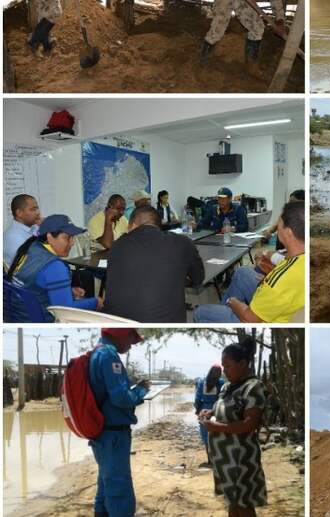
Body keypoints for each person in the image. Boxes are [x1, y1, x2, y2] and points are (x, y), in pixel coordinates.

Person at [193, 201, 304, 323]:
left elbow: (250, 318)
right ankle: (222, 312)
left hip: (261, 320)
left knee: (201, 312)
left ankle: (222, 312)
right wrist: (268, 278)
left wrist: (232, 301)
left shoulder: (281, 280)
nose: (277, 228)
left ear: (288, 233)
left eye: (279, 224)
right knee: (243, 272)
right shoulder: (301, 257)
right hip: (279, 299)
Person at [199, 336, 268, 516]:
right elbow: (220, 407)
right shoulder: (227, 387)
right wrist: (209, 413)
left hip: (241, 459)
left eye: (228, 366)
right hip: (224, 460)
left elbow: (248, 424)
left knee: (244, 504)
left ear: (243, 363)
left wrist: (216, 427)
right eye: (223, 366)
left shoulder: (253, 387)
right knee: (232, 502)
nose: (224, 371)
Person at [104, 206, 205, 322]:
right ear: (158, 226)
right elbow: (198, 278)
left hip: (116, 324)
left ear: (133, 224)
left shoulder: (118, 245)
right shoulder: (183, 243)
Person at [89, 328, 149, 517]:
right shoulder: (109, 356)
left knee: (105, 481)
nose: (131, 345)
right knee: (119, 486)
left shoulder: (97, 352)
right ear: (122, 335)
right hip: (113, 434)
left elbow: (110, 393)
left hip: (101, 433)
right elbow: (121, 398)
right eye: (131, 340)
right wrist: (141, 391)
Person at [7, 214, 102, 316]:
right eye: (67, 238)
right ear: (50, 237)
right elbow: (64, 311)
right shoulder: (55, 266)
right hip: (41, 320)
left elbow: (34, 285)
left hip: (18, 314)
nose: (72, 242)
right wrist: (96, 302)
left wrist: (67, 291)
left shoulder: (32, 247)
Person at [194, 364, 225, 469]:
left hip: (205, 410)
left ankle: (210, 460)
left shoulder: (202, 382)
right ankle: (216, 459)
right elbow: (222, 397)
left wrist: (198, 412)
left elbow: (197, 399)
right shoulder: (221, 382)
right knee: (214, 435)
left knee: (207, 436)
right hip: (215, 410)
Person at [4, 194, 41, 267]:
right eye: (33, 209)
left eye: (37, 209)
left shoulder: (34, 228)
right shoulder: (13, 237)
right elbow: (33, 264)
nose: (37, 213)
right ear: (19, 213)